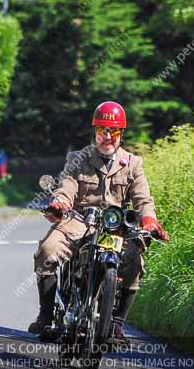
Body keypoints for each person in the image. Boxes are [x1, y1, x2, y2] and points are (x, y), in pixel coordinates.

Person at [28, 101, 169, 342]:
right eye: (102, 131)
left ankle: (116, 324)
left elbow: (143, 198)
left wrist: (149, 221)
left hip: (115, 226)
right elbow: (66, 186)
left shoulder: (133, 163)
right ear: (95, 132)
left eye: (113, 132)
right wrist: (60, 203)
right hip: (80, 220)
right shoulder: (78, 158)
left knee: (134, 261)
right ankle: (47, 315)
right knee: (47, 250)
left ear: (121, 135)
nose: (108, 137)